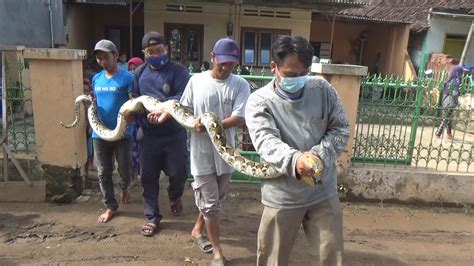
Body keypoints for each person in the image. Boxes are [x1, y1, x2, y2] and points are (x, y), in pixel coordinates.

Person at [245, 36, 350, 266]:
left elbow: (341, 128)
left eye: (304, 73)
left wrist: (317, 157)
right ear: (274, 67)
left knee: (330, 256)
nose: (299, 79)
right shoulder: (258, 101)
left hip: (322, 191)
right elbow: (266, 141)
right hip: (282, 194)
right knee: (273, 259)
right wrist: (296, 160)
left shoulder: (322, 89)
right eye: (291, 75)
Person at [180, 37, 250, 266]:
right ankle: (218, 252)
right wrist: (194, 124)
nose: (226, 66)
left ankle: (197, 229)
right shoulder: (196, 81)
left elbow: (239, 118)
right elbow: (185, 111)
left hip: (225, 153)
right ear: (212, 58)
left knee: (216, 198)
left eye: (231, 63)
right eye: (222, 62)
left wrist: (212, 124)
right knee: (210, 203)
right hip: (200, 154)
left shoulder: (240, 84)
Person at [133, 32, 190, 236]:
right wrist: (136, 111)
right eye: (150, 52)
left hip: (174, 134)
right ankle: (152, 217)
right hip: (148, 136)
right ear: (144, 53)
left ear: (166, 49)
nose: (155, 54)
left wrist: (165, 111)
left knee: (178, 173)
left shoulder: (179, 71)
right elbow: (135, 99)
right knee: (147, 177)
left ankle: (175, 196)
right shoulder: (139, 73)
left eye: (159, 50)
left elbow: (183, 96)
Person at [91, 39, 134, 223]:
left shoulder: (128, 78)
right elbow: (95, 101)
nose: (102, 62)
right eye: (99, 59)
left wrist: (133, 114)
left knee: (124, 167)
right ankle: (110, 205)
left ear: (116, 56)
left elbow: (134, 103)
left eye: (106, 57)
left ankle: (124, 186)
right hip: (100, 132)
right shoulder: (96, 78)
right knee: (103, 171)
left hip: (123, 132)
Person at [127, 57, 145, 186]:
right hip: (131, 123)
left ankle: (141, 175)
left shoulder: (144, 82)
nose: (133, 71)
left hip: (142, 122)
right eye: (130, 69)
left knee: (142, 151)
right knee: (131, 152)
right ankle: (133, 176)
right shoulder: (128, 84)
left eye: (135, 69)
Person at [435, 65, 463, 140]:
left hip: (445, 101)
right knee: (446, 118)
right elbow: (454, 92)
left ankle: (449, 134)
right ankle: (438, 133)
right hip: (451, 102)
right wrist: (456, 101)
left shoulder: (450, 79)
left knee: (449, 117)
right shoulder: (456, 80)